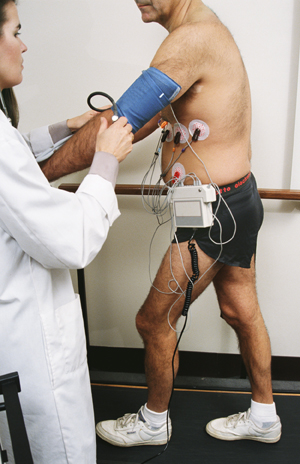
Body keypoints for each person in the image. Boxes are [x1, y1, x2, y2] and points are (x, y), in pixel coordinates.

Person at [42, 0, 282, 446]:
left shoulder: (190, 39)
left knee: (153, 322)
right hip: (237, 199)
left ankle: (153, 423)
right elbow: (147, 118)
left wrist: (35, 177)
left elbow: (123, 121)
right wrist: (86, 125)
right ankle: (264, 416)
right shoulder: (202, 33)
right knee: (240, 310)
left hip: (214, 212)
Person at [0, 1, 133, 463]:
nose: (24, 44)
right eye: (15, 31)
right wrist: (107, 158)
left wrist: (66, 126)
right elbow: (70, 241)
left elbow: (15, 155)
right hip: (27, 339)